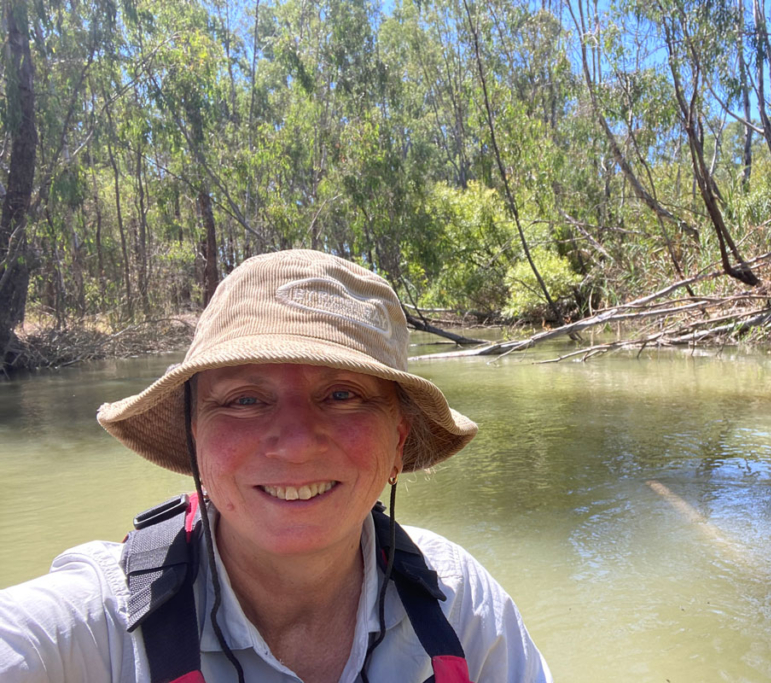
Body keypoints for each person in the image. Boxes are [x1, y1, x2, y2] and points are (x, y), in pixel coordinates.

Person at [0, 249, 552, 683]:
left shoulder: (460, 604)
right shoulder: (99, 626)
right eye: (243, 399)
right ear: (195, 438)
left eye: (342, 395)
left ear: (398, 441)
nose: (293, 445)